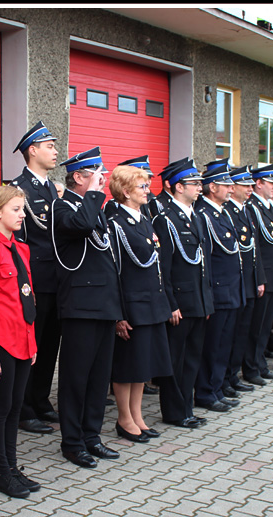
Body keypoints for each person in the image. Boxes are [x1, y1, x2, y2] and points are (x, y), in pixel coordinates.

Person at [52, 147, 124, 467]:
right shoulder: (62, 206)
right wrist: (93, 196)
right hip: (80, 306)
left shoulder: (94, 207)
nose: (103, 179)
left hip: (104, 303)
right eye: (97, 174)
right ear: (79, 177)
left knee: (98, 378)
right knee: (76, 378)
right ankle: (71, 442)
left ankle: (92, 436)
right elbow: (80, 225)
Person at [0, 186, 39, 497]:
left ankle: (13, 467)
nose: (22, 214)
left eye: (22, 209)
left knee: (16, 407)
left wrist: (34, 341)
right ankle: (1, 472)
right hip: (2, 343)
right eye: (16, 209)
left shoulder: (21, 249)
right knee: (1, 407)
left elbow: (28, 298)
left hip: (23, 339)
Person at [107, 165, 172, 442]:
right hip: (132, 305)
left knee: (142, 366)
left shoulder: (143, 219)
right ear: (125, 191)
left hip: (150, 303)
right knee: (127, 365)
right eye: (142, 187)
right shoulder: (116, 222)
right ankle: (124, 418)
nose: (148, 191)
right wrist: (119, 314)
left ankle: (137, 416)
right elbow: (115, 271)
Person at [152, 158, 214, 428]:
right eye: (194, 184)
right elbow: (163, 267)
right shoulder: (165, 220)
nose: (199, 188)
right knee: (176, 361)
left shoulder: (196, 216)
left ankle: (186, 408)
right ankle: (175, 411)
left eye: (200, 183)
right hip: (180, 302)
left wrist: (206, 302)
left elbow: (203, 263)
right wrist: (170, 303)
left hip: (198, 301)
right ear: (178, 187)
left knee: (192, 359)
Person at [10, 121, 61, 435]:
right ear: (33, 150)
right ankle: (24, 408)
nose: (55, 152)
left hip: (56, 278)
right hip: (34, 279)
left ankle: (41, 400)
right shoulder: (18, 188)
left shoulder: (49, 187)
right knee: (33, 345)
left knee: (51, 344)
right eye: (50, 146)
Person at [194, 160, 246, 410]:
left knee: (224, 343)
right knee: (211, 346)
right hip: (217, 290)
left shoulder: (221, 211)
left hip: (231, 289)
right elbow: (206, 258)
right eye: (226, 184)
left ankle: (216, 388)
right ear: (212, 187)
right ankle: (205, 392)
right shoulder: (204, 213)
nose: (231, 188)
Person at [222, 166, 264, 396]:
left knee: (241, 333)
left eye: (250, 185)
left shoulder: (245, 210)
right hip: (235, 283)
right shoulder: (227, 210)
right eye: (244, 185)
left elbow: (254, 249)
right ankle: (225, 379)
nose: (249, 189)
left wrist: (259, 279)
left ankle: (232, 376)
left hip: (247, 281)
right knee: (230, 334)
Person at [242, 164, 273, 386]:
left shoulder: (268, 207)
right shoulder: (253, 208)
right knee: (256, 326)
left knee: (266, 325)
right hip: (263, 275)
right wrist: (260, 278)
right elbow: (255, 245)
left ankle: (259, 364)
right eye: (272, 183)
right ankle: (251, 367)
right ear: (259, 184)